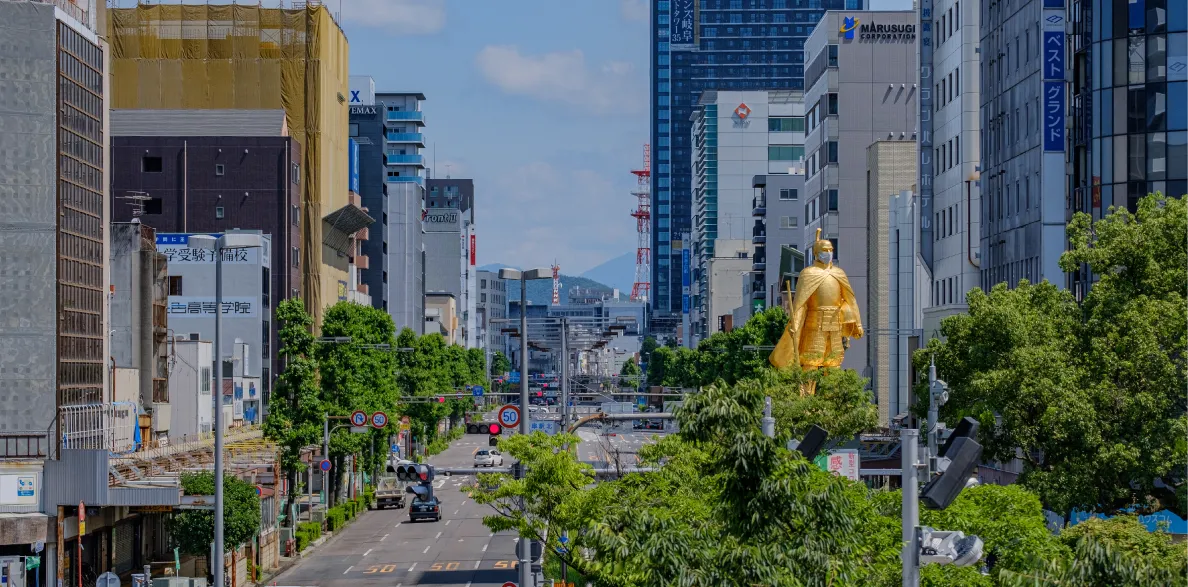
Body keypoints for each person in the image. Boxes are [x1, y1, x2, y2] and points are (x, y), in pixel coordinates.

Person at [769, 228, 864, 393]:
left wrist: (858, 323)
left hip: (835, 323)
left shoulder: (839, 273)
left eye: (830, 250)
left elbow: (851, 299)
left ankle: (832, 400)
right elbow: (801, 304)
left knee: (833, 363)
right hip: (815, 323)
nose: (828, 253)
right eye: (824, 250)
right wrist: (796, 324)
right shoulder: (808, 274)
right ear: (816, 253)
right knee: (811, 362)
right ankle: (807, 400)